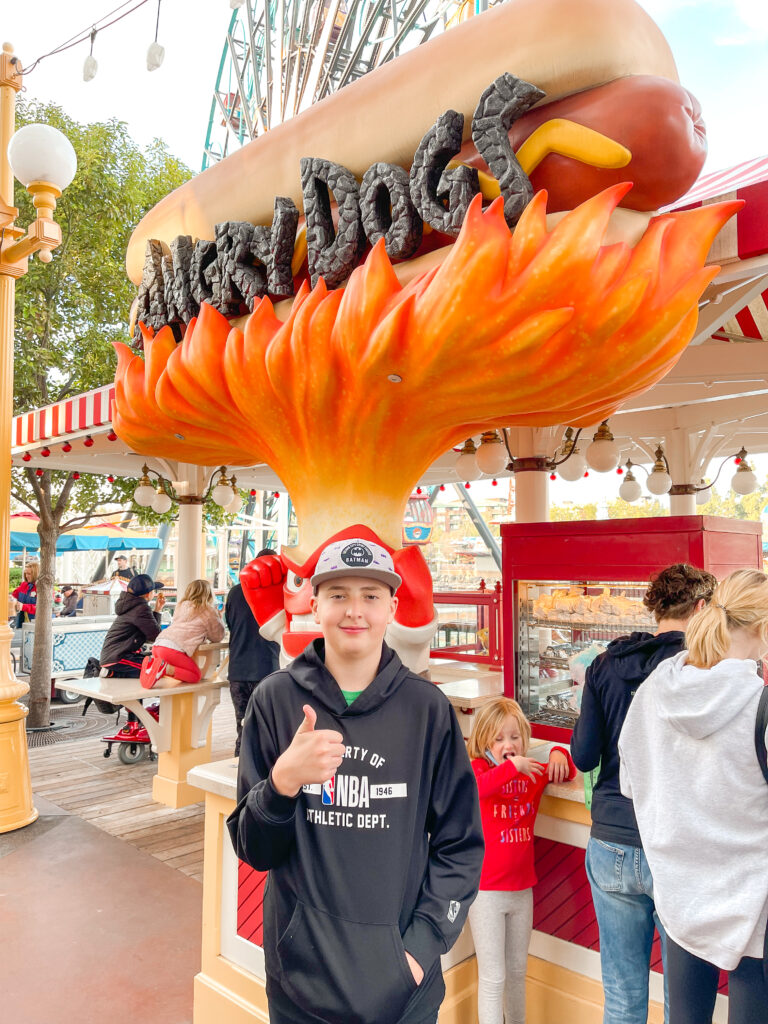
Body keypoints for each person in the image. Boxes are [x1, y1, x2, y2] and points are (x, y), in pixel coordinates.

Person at [227, 535, 484, 1024]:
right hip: (300, 985)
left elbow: (460, 844)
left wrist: (418, 950)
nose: (354, 610)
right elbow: (253, 850)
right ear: (315, 604)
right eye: (338, 594)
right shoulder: (274, 701)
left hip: (401, 991)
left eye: (370, 595)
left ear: (392, 607)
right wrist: (281, 783)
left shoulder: (426, 710)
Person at [619, 568, 768, 1024]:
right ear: (761, 628)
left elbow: (631, 781)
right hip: (754, 906)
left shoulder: (654, 690)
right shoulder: (758, 705)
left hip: (679, 896)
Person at [570, 563, 716, 1024]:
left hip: (610, 838)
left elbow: (584, 756)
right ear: (701, 607)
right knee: (684, 1005)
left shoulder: (605, 664)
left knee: (622, 996)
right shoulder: (705, 670)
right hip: (674, 845)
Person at [467, 696, 575, 1024]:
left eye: (514, 737)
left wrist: (558, 752)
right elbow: (476, 789)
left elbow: (567, 766)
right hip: (484, 893)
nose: (508, 745)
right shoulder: (478, 770)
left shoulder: (529, 772)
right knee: (493, 977)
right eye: (498, 739)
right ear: (484, 742)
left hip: (522, 890)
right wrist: (512, 767)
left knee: (516, 973)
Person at [225, 548, 280, 756]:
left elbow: (230, 623)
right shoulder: (278, 593)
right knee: (269, 729)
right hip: (268, 668)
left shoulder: (235, 592)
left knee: (243, 726)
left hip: (238, 669)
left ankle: (241, 774)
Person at [140, 578, 225, 689]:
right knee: (195, 676)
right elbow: (217, 636)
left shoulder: (181, 605)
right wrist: (219, 617)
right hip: (173, 649)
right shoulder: (208, 609)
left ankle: (154, 667)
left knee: (177, 672)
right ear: (209, 594)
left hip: (158, 645)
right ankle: (164, 668)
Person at [99, 573, 165, 677]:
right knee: (157, 668)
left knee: (154, 665)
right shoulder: (141, 608)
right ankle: (112, 673)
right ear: (148, 594)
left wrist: (157, 610)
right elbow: (156, 635)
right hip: (119, 658)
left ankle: (111, 672)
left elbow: (151, 633)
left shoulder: (131, 605)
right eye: (153, 591)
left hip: (115, 656)